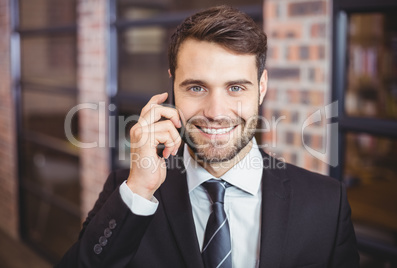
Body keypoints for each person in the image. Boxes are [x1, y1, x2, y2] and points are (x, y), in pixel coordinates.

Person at [57, 5, 359, 268]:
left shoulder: (327, 203)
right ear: (173, 86)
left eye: (236, 88)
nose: (215, 112)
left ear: (262, 86)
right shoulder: (128, 191)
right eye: (196, 88)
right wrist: (139, 189)